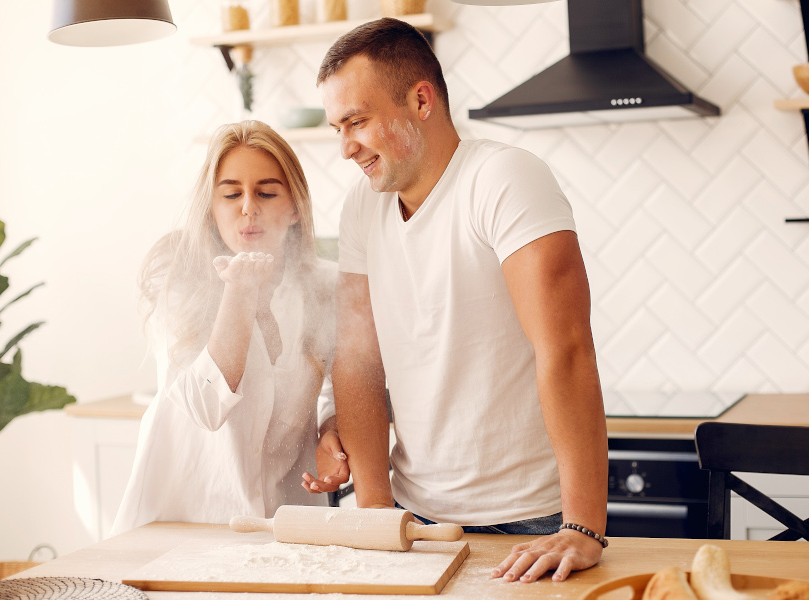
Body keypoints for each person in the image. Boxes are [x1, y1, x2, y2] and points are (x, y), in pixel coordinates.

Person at [304, 18, 608, 583]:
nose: (346, 147)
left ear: (421, 100)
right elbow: (358, 359)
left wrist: (583, 525)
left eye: (358, 121)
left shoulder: (503, 179)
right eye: (337, 127)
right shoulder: (361, 208)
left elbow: (565, 348)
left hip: (533, 523)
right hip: (416, 523)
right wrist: (373, 508)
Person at [111, 121, 348, 535]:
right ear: (212, 208)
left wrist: (330, 429)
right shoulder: (177, 277)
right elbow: (205, 406)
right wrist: (240, 292)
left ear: (294, 207)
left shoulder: (323, 286)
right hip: (182, 524)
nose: (248, 208)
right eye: (231, 194)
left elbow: (335, 384)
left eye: (267, 192)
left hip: (284, 521)